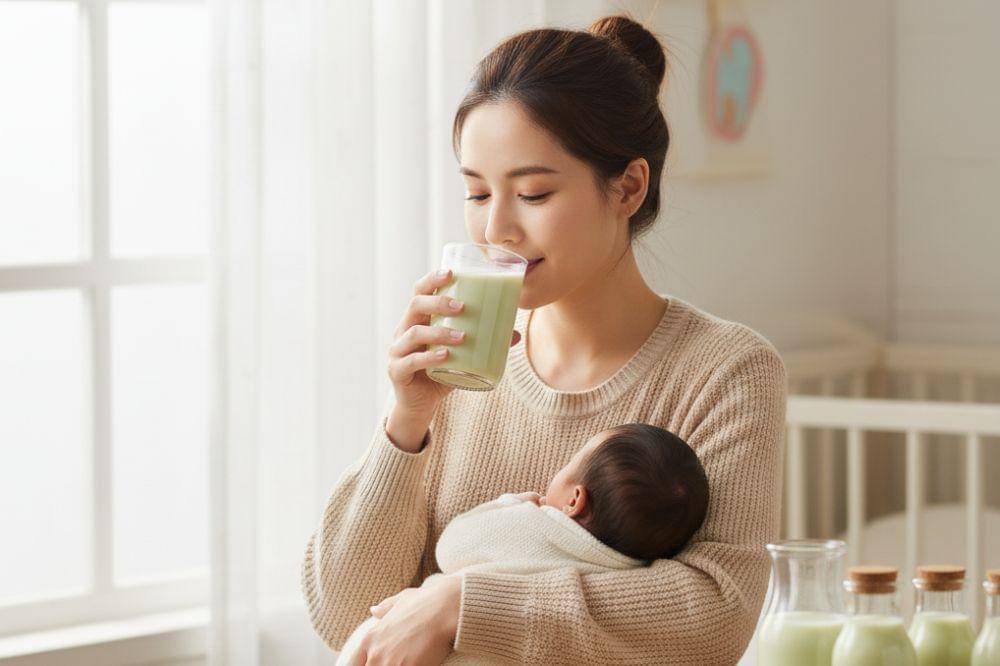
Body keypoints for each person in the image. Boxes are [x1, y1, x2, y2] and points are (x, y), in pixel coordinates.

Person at [302, 12, 787, 665]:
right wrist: (407, 421)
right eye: (476, 194)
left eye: (532, 193)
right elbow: (345, 613)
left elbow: (713, 615)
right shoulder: (461, 367)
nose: (496, 228)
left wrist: (463, 605)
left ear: (629, 187)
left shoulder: (725, 370)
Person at [334, 423, 711, 665]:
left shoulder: (532, 526)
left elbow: (453, 547)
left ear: (575, 500)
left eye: (566, 466)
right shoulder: (631, 575)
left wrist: (510, 504)